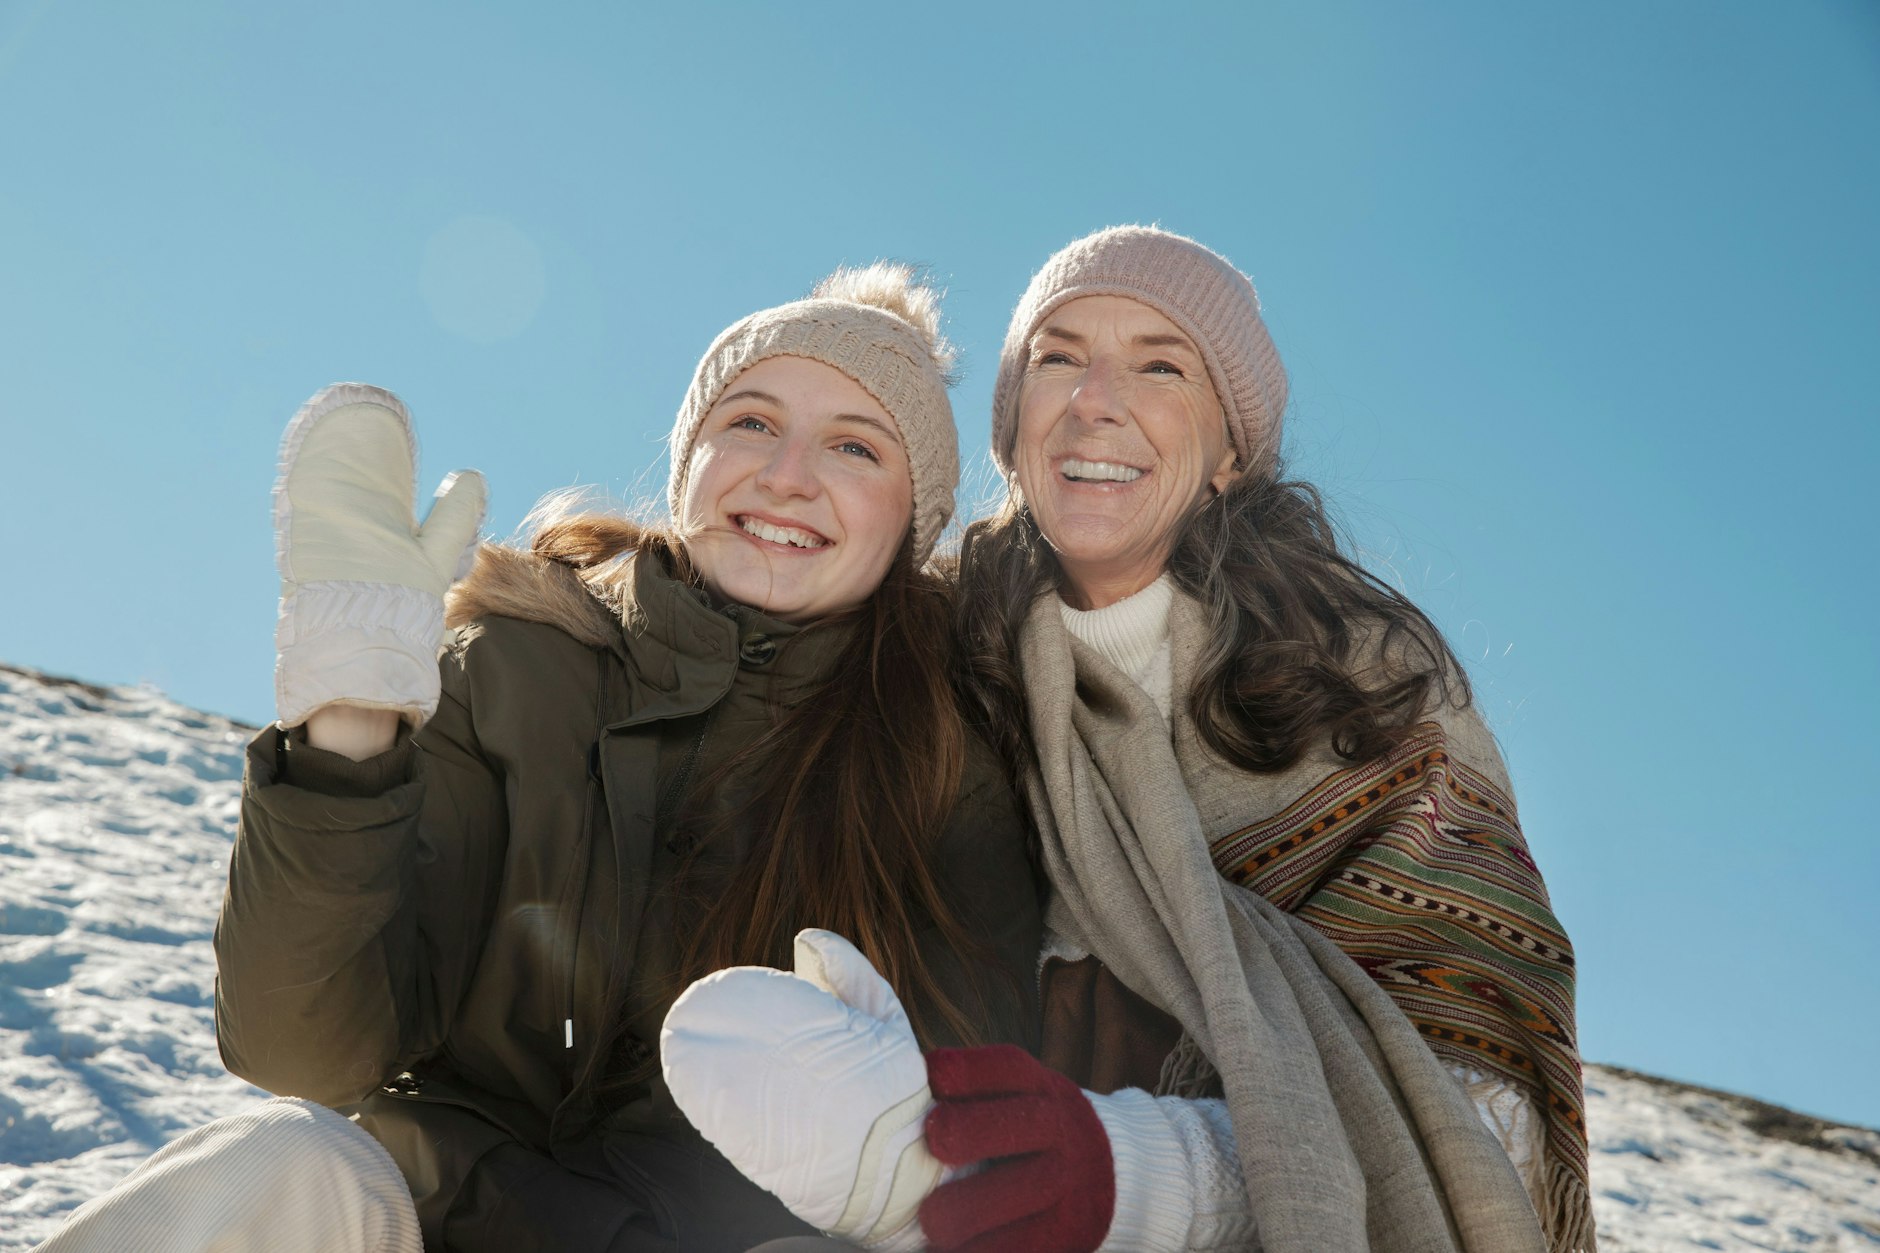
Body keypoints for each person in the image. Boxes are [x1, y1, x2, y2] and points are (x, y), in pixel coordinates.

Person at [36, 265, 1041, 1253]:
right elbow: (302, 1046)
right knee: (284, 1160)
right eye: (750, 421)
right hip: (443, 1212)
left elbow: (952, 1146)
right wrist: (348, 725)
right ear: (688, 452)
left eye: (854, 446)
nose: (785, 475)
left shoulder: (943, 760)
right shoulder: (519, 662)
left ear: (916, 519)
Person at [662, 229, 1589, 1253]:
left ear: (1231, 450)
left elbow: (1470, 1089)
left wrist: (1148, 1173)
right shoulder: (933, 654)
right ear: (1010, 429)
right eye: (1057, 356)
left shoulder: (1367, 681)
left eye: (1159, 365)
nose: (1093, 399)